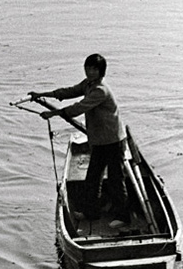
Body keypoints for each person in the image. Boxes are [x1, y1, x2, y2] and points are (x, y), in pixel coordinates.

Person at [29, 54, 129, 226]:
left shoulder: (100, 90)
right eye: (87, 68)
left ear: (101, 72)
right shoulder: (88, 84)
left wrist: (53, 113)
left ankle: (123, 217)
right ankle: (92, 213)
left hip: (113, 141)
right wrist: (43, 94)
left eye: (93, 69)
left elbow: (79, 108)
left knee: (115, 179)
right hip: (99, 141)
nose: (90, 72)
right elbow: (69, 92)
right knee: (92, 178)